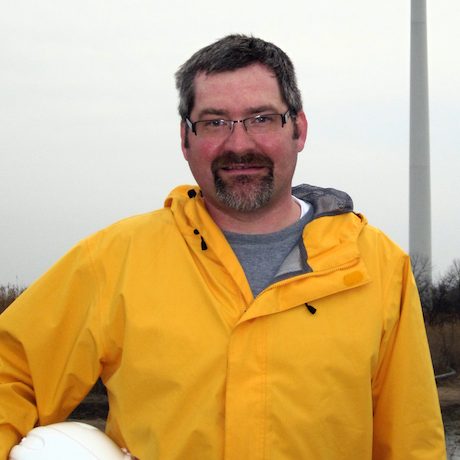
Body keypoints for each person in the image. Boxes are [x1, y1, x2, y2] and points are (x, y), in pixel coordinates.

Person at [0, 34, 446, 459]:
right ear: (185, 138)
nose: (239, 143)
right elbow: (11, 374)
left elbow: (411, 444)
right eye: (214, 122)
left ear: (299, 129)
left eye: (261, 118)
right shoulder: (116, 259)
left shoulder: (379, 267)